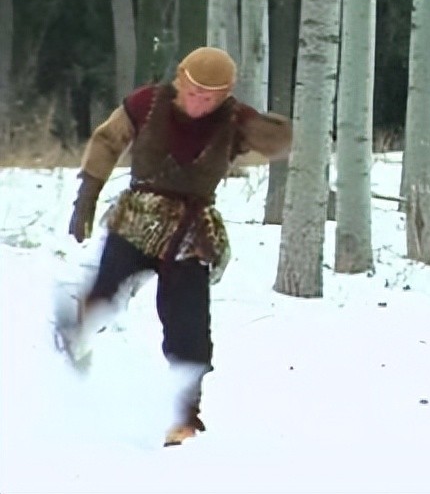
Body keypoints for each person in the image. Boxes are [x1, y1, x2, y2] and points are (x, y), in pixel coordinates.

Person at [58, 46, 292, 446]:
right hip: (138, 216)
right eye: (194, 92)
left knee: (189, 327)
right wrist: (87, 196)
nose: (200, 104)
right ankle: (70, 337)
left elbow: (279, 142)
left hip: (192, 231)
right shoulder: (147, 103)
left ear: (225, 95)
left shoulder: (232, 120)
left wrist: (261, 125)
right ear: (180, 80)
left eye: (211, 98)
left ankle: (183, 415)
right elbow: (107, 140)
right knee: (106, 289)